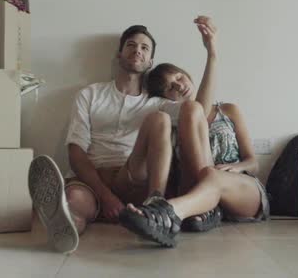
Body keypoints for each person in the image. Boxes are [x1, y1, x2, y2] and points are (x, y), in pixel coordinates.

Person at [27, 24, 194, 253]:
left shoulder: (158, 103)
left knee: (160, 120)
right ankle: (67, 225)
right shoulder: (90, 94)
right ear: (119, 54)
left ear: (150, 62)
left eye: (145, 48)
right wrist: (106, 197)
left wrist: (210, 54)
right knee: (76, 199)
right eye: (131, 45)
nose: (138, 50)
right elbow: (76, 151)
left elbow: (197, 113)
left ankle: (156, 208)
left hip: (133, 178)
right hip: (94, 181)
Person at [118, 16, 270, 247]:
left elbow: (253, 162)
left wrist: (235, 168)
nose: (179, 85)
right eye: (171, 87)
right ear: (166, 99)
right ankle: (186, 211)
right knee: (206, 172)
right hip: (199, 201)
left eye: (178, 77)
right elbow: (194, 111)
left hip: (240, 190)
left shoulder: (229, 110)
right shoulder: (172, 121)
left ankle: (164, 215)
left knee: (212, 175)